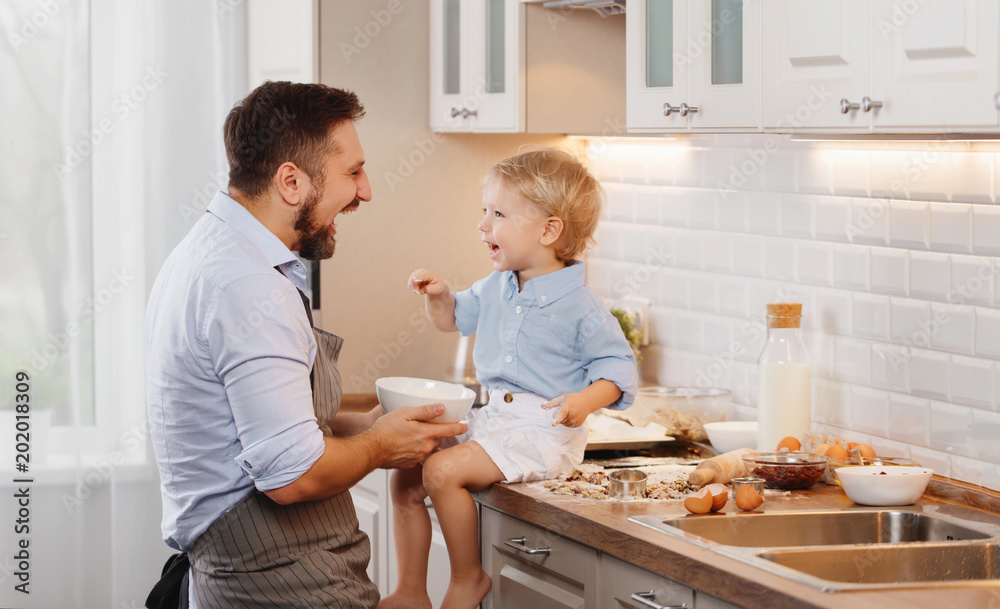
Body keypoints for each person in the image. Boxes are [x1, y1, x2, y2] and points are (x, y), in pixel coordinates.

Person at [144, 81, 467, 609]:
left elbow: (258, 425)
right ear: (290, 181)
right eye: (353, 172)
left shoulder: (213, 252)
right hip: (276, 587)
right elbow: (292, 476)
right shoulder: (249, 287)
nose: (365, 191)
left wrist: (370, 427)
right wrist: (382, 445)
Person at [380, 148, 638, 609]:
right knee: (405, 477)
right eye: (485, 211)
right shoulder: (496, 285)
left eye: (498, 214)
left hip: (543, 431)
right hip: (495, 419)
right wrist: (438, 295)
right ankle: (410, 591)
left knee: (440, 470)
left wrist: (585, 400)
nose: (483, 225)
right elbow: (452, 319)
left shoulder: (581, 306)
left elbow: (618, 369)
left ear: (549, 230)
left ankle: (466, 579)